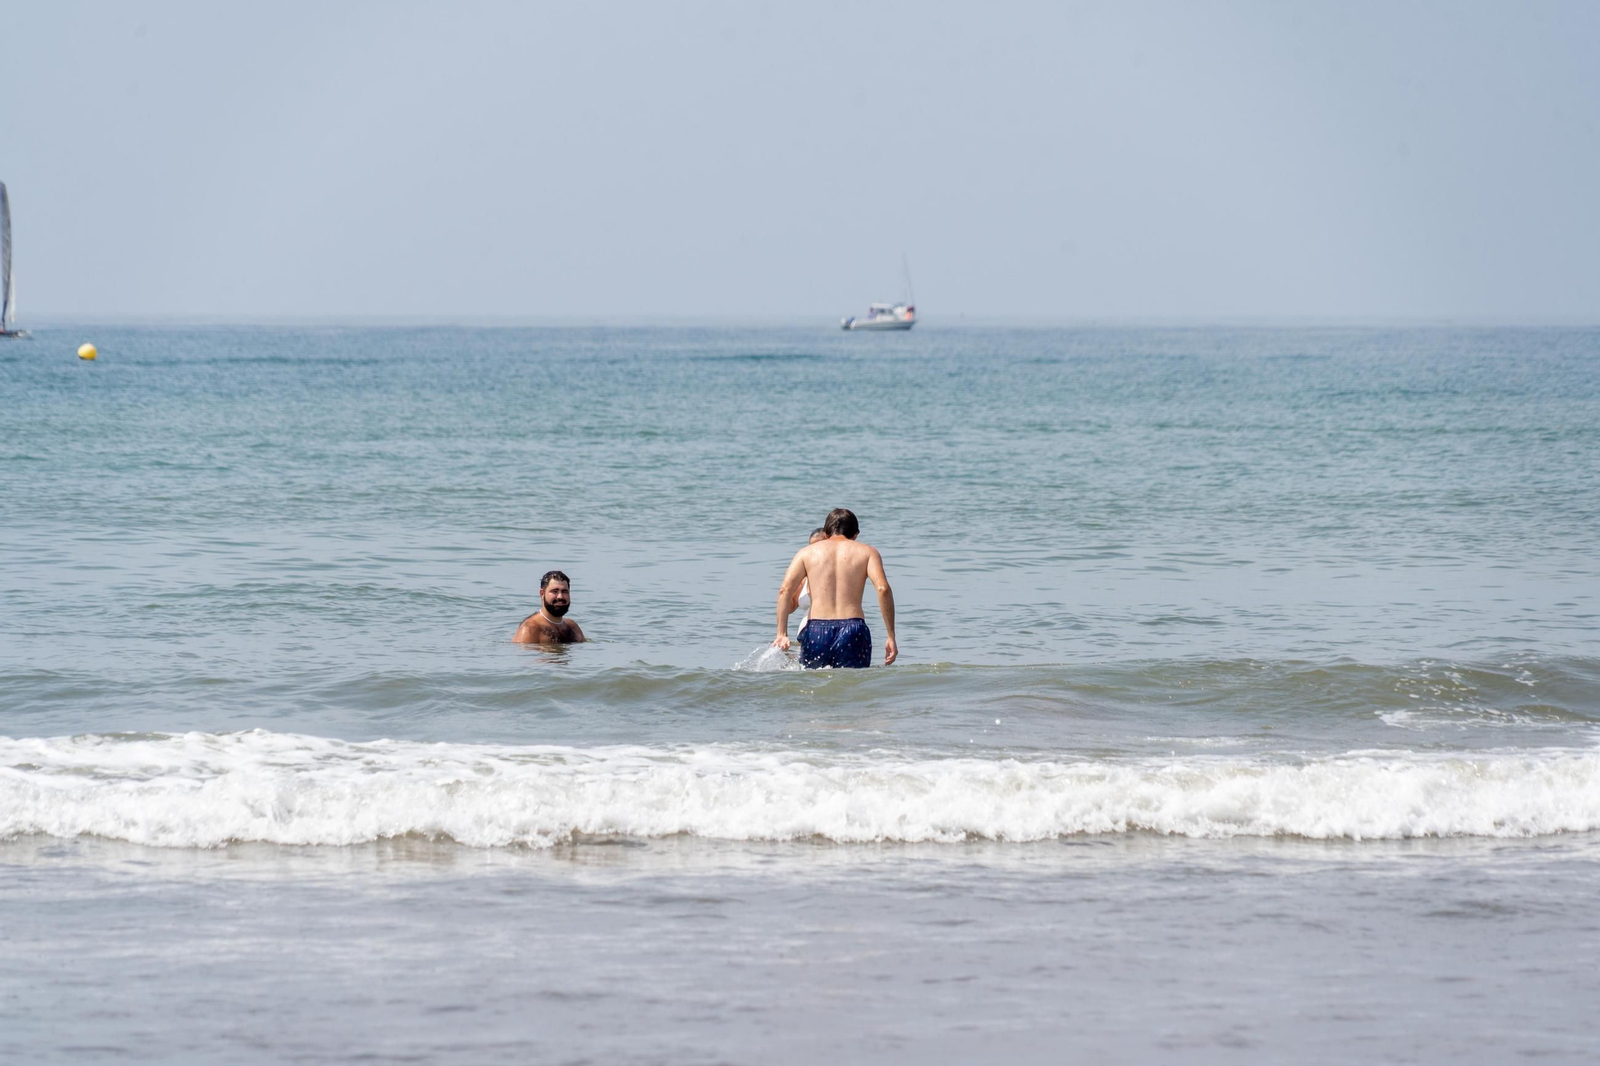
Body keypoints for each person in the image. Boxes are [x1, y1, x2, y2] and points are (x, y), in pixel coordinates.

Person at [773, 508, 897, 668]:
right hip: (853, 629)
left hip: (816, 631)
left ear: (826, 533)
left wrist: (781, 634)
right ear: (856, 534)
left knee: (814, 684)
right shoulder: (868, 552)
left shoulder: (806, 553)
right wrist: (891, 636)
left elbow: (785, 590)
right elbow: (883, 589)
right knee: (854, 685)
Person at [513, 570, 587, 644]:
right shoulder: (530, 628)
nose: (560, 596)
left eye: (564, 591)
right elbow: (521, 654)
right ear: (542, 594)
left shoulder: (573, 626)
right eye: (555, 591)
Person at [787, 527, 829, 628]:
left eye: (818, 546)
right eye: (811, 547)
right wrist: (787, 587)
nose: (814, 551)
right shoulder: (805, 577)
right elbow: (790, 607)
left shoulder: (839, 575)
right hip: (806, 636)